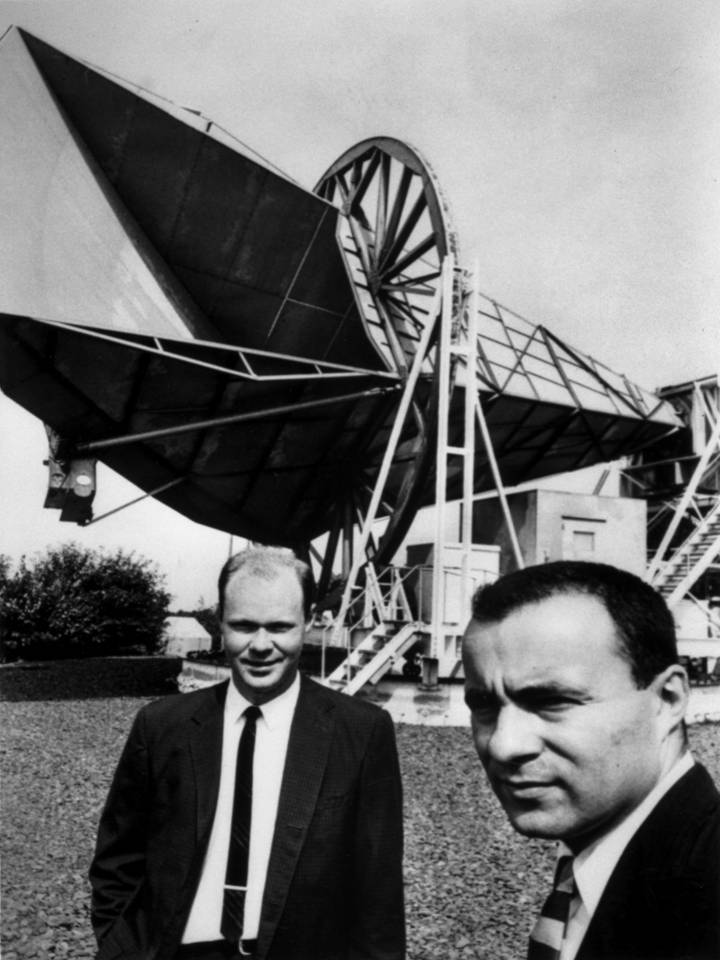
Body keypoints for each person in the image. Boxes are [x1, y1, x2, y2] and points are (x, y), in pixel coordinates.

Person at [89, 546, 405, 960]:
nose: (260, 645)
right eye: (243, 626)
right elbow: (117, 861)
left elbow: (378, 893)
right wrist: (120, 948)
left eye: (279, 627)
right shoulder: (162, 726)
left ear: (307, 622)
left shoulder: (361, 733)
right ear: (220, 621)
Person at [461, 560, 720, 960]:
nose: (503, 745)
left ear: (668, 699)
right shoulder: (607, 861)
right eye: (483, 704)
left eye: (552, 701)